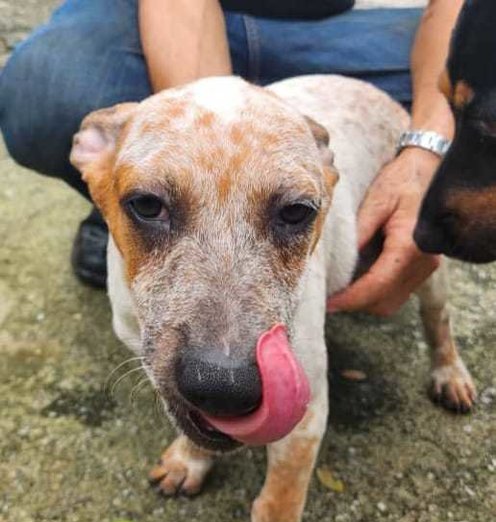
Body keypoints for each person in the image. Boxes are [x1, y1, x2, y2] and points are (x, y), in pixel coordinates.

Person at [0, 0, 463, 314]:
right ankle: (135, 202)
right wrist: (186, 160)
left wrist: (427, 147)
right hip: (164, 14)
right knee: (47, 89)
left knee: (482, 79)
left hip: (326, 31)